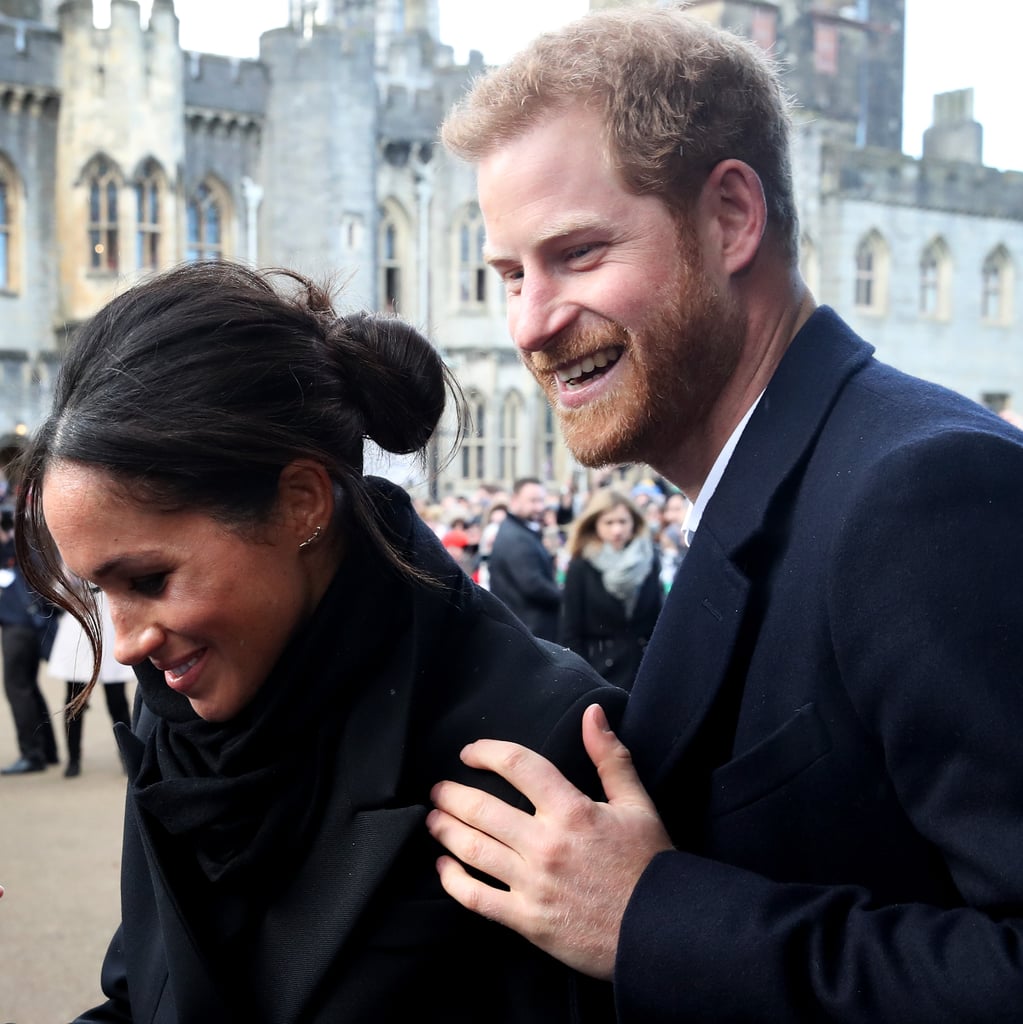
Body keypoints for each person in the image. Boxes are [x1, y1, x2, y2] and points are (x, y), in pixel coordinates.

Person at [426, 6, 1023, 1020]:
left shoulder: (922, 497)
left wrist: (652, 916)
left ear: (732, 219)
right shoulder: (773, 482)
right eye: (510, 275)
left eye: (576, 254)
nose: (529, 322)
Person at [13, 260, 624, 1022]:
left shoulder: (541, 746)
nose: (127, 644)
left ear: (301, 504)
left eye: (148, 579)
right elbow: (149, 992)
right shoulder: (177, 712)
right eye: (100, 592)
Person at [558, 489, 661, 691]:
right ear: (595, 524)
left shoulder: (648, 560)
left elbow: (658, 616)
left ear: (634, 522)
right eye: (609, 522)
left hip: (645, 672)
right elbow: (570, 630)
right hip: (600, 671)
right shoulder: (581, 565)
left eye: (623, 521)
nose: (617, 530)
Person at [47, 587, 132, 778]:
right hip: (79, 629)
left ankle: (128, 756)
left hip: (110, 627)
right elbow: (56, 588)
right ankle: (73, 758)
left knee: (117, 702)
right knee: (74, 702)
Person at [0, 511, 59, 775]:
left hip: (20, 627)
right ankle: (47, 750)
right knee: (28, 688)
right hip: (24, 625)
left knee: (18, 689)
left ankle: (32, 754)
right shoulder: (18, 547)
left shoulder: (15, 551)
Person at [486, 477, 562, 641]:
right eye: (533, 501)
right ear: (514, 500)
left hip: (527, 626)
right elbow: (532, 584)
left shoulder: (519, 530)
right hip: (530, 628)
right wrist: (566, 596)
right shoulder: (515, 537)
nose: (539, 507)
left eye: (541, 500)